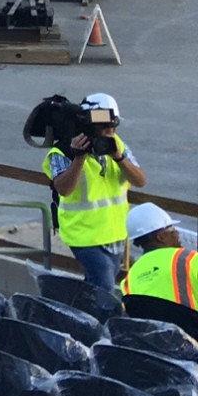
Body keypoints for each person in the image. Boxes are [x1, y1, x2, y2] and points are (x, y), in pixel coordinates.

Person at [42, 91, 146, 291]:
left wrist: (119, 157)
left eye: (112, 125)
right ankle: (100, 320)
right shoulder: (63, 151)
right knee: (104, 286)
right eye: (103, 126)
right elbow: (63, 189)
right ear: (87, 123)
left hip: (115, 232)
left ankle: (78, 314)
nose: (109, 131)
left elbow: (140, 180)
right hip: (83, 234)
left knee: (96, 285)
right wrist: (78, 158)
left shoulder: (117, 145)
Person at [121, 203, 198, 336]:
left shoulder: (130, 277)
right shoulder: (190, 259)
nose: (177, 233)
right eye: (172, 229)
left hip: (156, 344)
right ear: (160, 237)